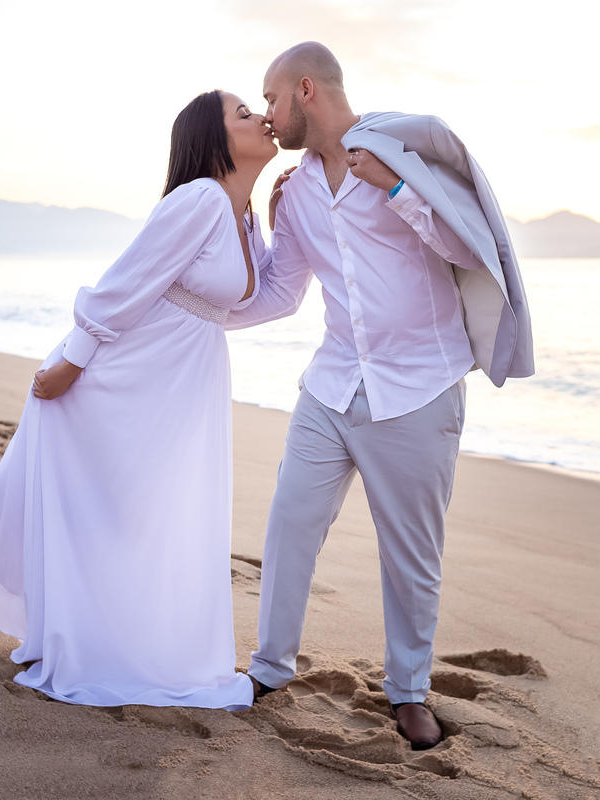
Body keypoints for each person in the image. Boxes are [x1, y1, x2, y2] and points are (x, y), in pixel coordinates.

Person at [225, 43, 534, 747]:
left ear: (306, 89)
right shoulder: (297, 194)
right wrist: (249, 225)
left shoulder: (398, 156)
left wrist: (397, 187)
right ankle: (268, 670)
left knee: (411, 555)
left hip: (419, 388)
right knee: (290, 522)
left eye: (271, 99)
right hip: (331, 387)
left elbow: (469, 248)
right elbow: (277, 296)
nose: (267, 115)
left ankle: (409, 693)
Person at [0, 89, 279, 711]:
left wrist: (285, 230)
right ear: (213, 141)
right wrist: (72, 361)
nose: (261, 116)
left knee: (156, 513)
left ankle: (135, 641)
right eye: (242, 113)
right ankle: (95, 643)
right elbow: (125, 281)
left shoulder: (242, 217)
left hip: (179, 382)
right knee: (120, 512)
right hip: (123, 381)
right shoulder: (200, 199)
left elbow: (255, 305)